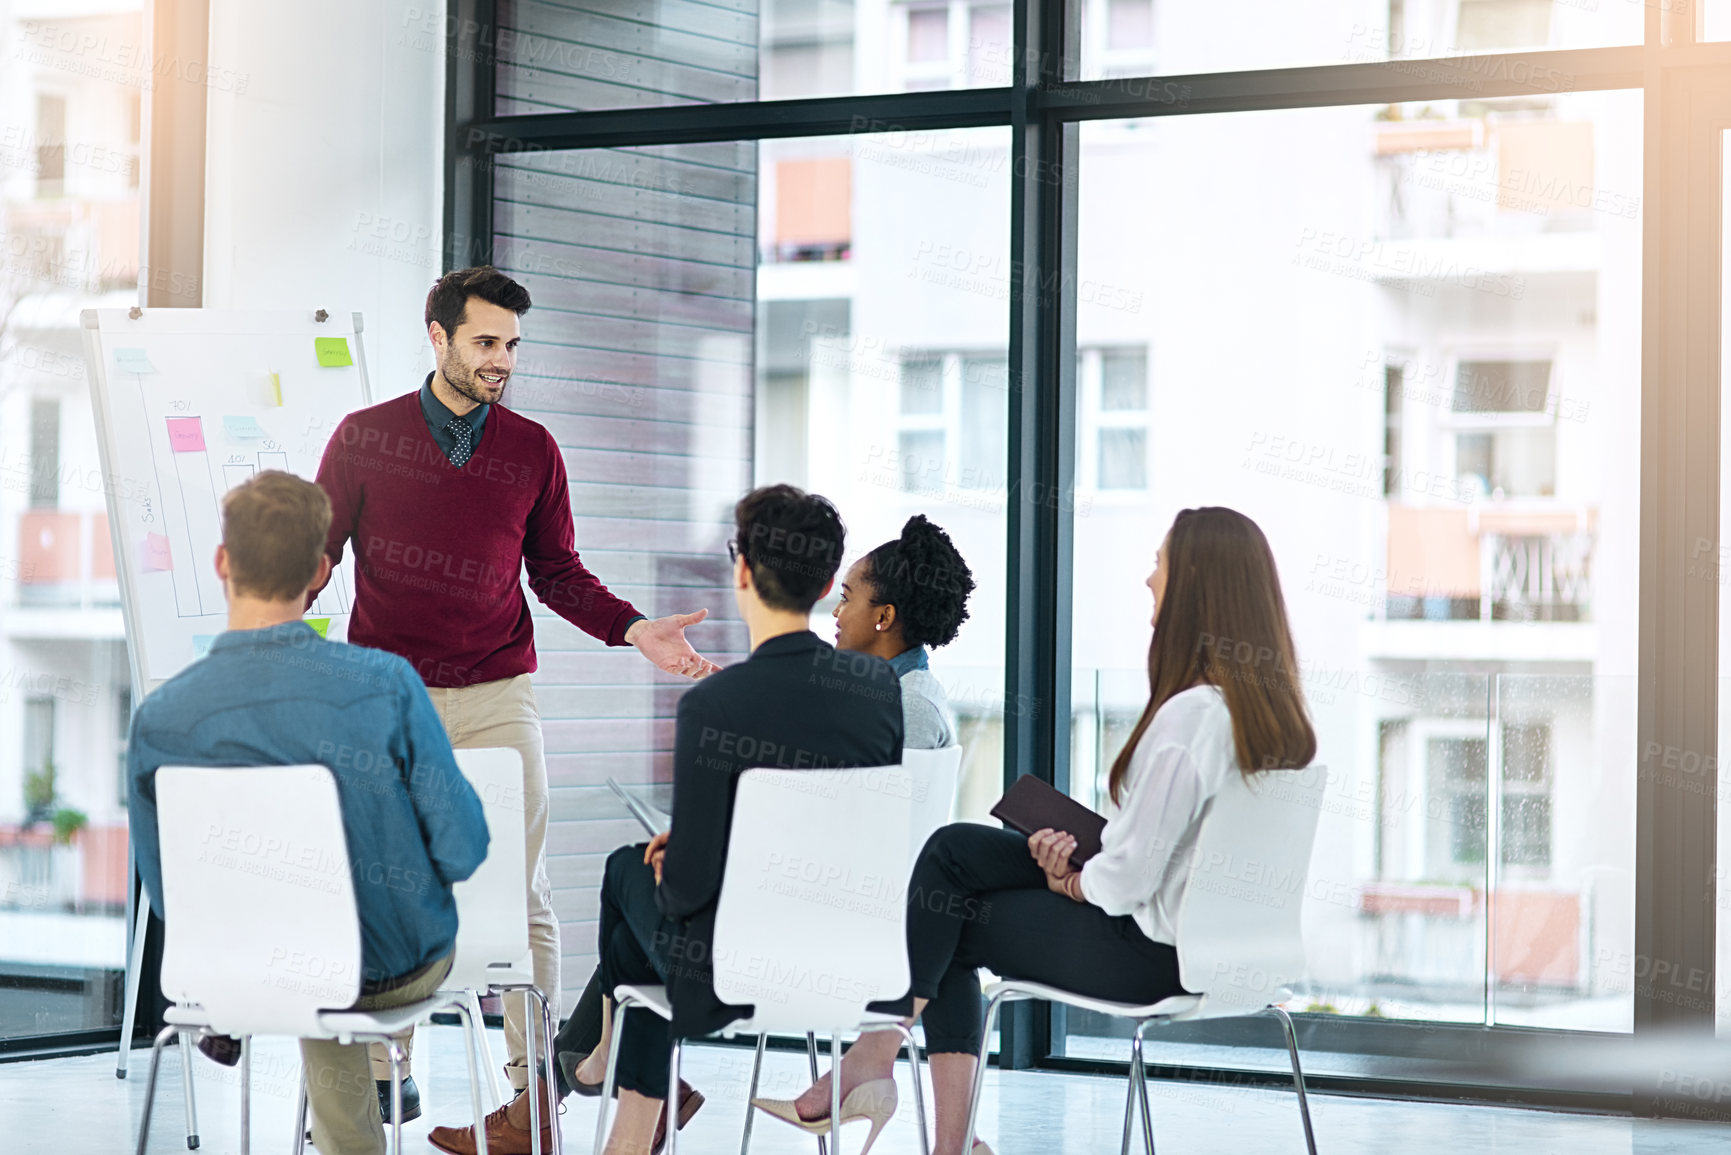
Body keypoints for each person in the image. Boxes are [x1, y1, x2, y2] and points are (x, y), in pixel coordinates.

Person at [755, 506, 1318, 1155]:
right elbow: (1172, 855)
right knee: (956, 851)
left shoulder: (1188, 716)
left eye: (1158, 563)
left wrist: (1073, 881)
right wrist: (1077, 865)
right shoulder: (1265, 719)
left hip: (1148, 958)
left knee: (949, 906)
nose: (1146, 580)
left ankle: (880, 1073)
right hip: (1227, 956)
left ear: (1195, 582)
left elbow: (1127, 879)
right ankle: (925, 1115)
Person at [312, 266, 718, 1130]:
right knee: (391, 882)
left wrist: (633, 627)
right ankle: (393, 1066)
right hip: (390, 700)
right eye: (486, 342)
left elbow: (558, 571)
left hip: (500, 693)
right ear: (439, 336)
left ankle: (531, 1083)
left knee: (520, 890)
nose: (502, 361)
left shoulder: (532, 448)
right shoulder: (362, 437)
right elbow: (320, 552)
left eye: (512, 346)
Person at [546, 513, 978, 1139]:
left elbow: (830, 842)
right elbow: (825, 806)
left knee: (629, 875)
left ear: (884, 617)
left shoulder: (902, 704)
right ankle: (602, 1092)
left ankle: (584, 1079)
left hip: (795, 939)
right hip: (839, 925)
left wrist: (702, 844)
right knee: (634, 936)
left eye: (851, 597)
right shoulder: (894, 694)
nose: (838, 611)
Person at [126, 472, 490, 1155]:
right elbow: (464, 846)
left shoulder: (160, 719)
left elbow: (170, 891)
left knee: (305, 963)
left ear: (222, 562)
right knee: (330, 967)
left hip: (239, 964)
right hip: (387, 969)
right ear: (322, 569)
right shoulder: (384, 684)